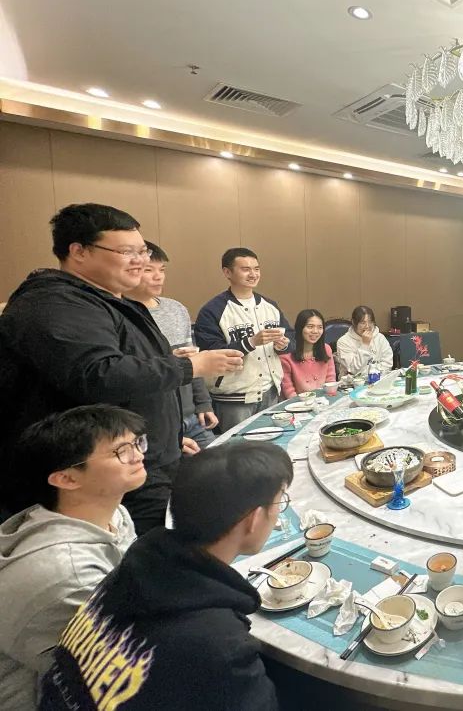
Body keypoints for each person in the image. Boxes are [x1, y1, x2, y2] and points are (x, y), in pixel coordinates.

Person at [0, 203, 242, 531]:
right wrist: (189, 366)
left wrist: (166, 439)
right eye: (127, 252)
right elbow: (101, 374)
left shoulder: (110, 301)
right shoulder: (53, 303)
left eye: (143, 251)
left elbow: (133, 379)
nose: (140, 261)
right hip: (98, 479)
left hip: (139, 461)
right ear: (78, 251)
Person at [39, 441, 290, 711]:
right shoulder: (219, 645)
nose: (278, 512)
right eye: (279, 502)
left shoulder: (128, 572)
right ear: (253, 519)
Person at [0, 406, 145, 710]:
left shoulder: (113, 513)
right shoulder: (66, 574)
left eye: (137, 443)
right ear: (66, 479)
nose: (137, 456)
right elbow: (116, 668)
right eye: (121, 451)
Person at [127, 241, 218, 449]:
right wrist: (171, 358)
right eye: (149, 270)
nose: (158, 276)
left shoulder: (176, 309)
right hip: (153, 422)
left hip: (191, 415)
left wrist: (203, 403)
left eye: (162, 270)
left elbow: (193, 362)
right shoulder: (122, 314)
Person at [194, 248, 294, 432]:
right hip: (234, 398)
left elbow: (291, 337)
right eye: (246, 269)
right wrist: (251, 342)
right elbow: (212, 353)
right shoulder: (212, 311)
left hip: (271, 391)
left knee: (272, 443)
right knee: (237, 446)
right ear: (227, 272)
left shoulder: (270, 305)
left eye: (256, 269)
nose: (253, 274)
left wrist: (283, 344)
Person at [279, 309, 336, 397]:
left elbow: (330, 379)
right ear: (300, 328)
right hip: (299, 402)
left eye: (320, 327)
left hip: (324, 400)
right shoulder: (286, 355)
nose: (315, 331)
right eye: (310, 326)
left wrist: (329, 397)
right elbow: (288, 390)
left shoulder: (326, 349)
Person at [335, 305, 393, 378]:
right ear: (354, 322)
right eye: (363, 323)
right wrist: (365, 344)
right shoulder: (343, 341)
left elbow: (388, 365)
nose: (367, 326)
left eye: (370, 322)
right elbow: (354, 369)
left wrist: (370, 373)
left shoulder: (380, 338)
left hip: (379, 380)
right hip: (351, 383)